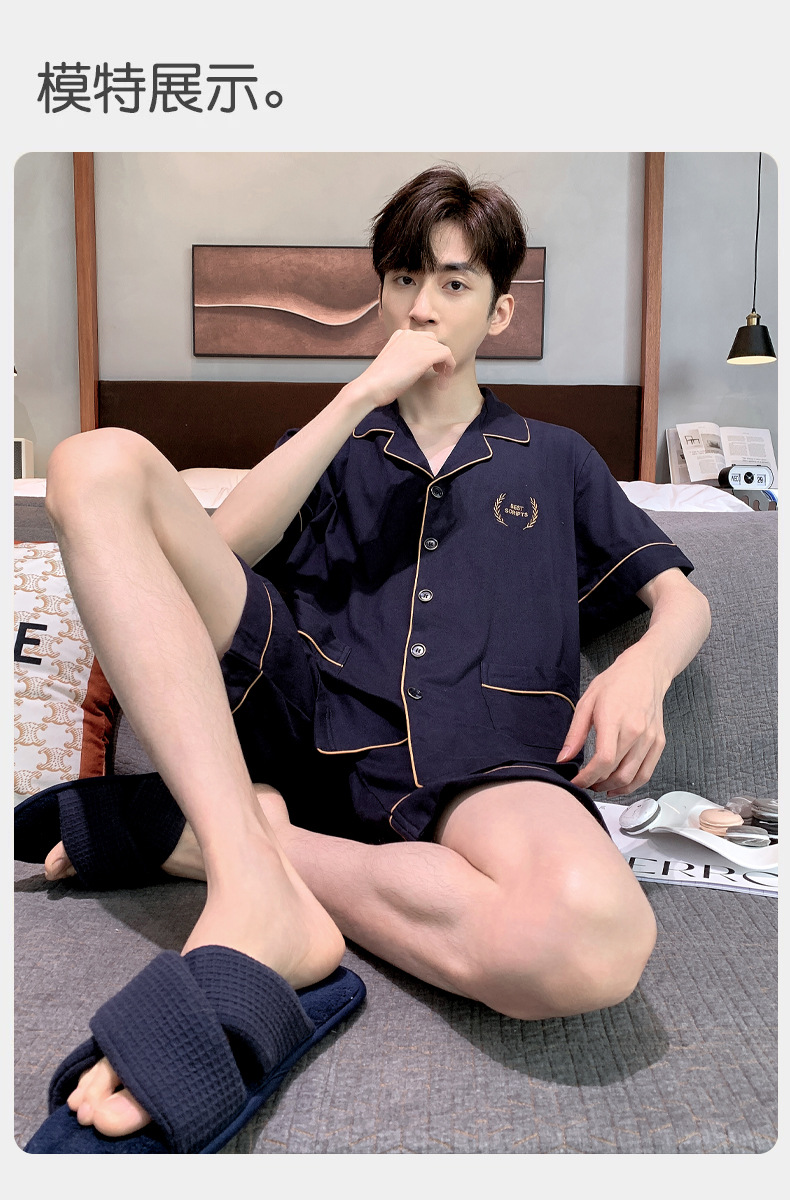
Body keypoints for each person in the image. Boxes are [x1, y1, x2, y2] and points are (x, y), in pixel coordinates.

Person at [41, 165, 710, 1140]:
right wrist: (358, 396)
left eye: (454, 282)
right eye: (404, 279)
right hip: (306, 720)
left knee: (592, 942)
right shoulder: (333, 444)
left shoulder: (557, 456)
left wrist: (643, 667)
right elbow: (219, 552)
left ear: (498, 307)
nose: (423, 305)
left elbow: (681, 597)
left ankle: (245, 850)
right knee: (91, 460)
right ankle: (249, 861)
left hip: (489, 756)